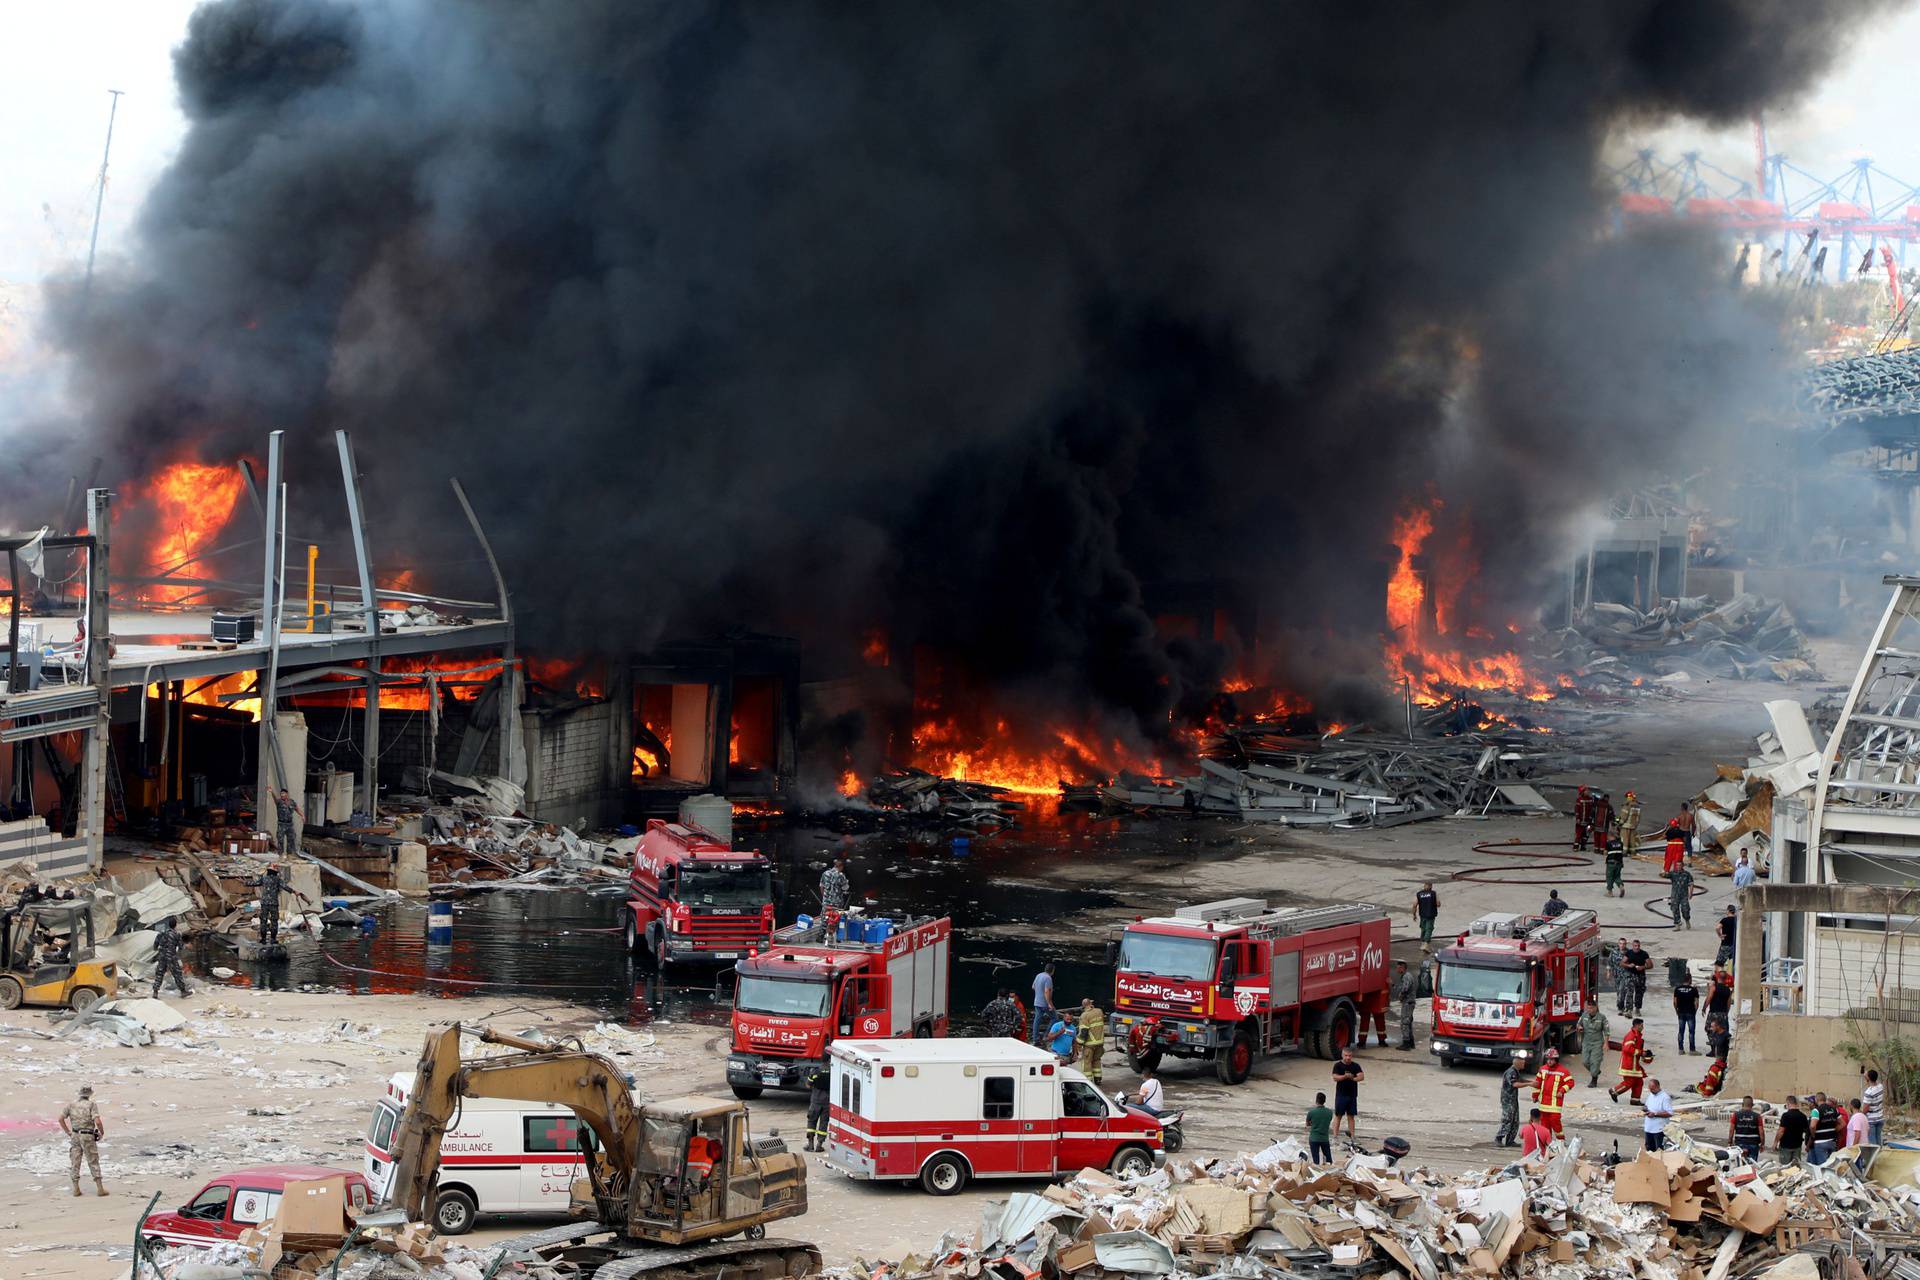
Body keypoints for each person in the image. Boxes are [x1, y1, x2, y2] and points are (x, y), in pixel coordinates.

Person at [60, 1085, 107, 1198]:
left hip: (75, 1134)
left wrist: (68, 1132)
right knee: (93, 1160)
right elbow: (98, 1121)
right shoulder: (91, 1105)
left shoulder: (71, 1105)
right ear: (90, 1094)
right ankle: (100, 1188)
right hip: (87, 1135)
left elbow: (60, 1119)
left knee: (75, 1161)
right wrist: (101, 1133)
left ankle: (76, 1188)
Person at [1531, 1048, 1575, 1136]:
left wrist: (1562, 1091)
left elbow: (1570, 1082)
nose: (1549, 1061)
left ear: (1556, 1060)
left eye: (1551, 1059)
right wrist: (1535, 1095)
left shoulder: (1563, 1071)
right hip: (1543, 1103)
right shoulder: (1542, 1069)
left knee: (1555, 1122)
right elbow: (1537, 1084)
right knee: (1544, 1125)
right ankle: (1548, 1143)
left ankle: (1560, 1141)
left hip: (1555, 1103)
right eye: (1548, 1059)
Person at [1609, 1017, 1648, 1103]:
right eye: (1641, 1025)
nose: (1643, 1027)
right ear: (1637, 1025)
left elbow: (1635, 1049)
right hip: (1629, 1064)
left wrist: (1645, 1054)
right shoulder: (1631, 1036)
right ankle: (1614, 1091)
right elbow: (1627, 1049)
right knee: (1629, 1082)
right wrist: (1641, 1053)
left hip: (1634, 1065)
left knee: (1638, 1082)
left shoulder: (1637, 1036)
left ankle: (1635, 1100)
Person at [152, 917, 191, 998]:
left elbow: (155, 944)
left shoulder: (162, 933)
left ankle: (155, 992)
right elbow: (180, 947)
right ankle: (183, 991)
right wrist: (185, 945)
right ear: (175, 925)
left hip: (162, 956)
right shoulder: (177, 934)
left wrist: (158, 949)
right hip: (171, 957)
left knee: (159, 973)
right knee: (177, 974)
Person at [1331, 1047, 1364, 1142]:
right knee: (1338, 1116)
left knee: (1351, 1116)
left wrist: (1353, 1078)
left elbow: (1361, 1076)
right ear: (1342, 1055)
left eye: (1349, 1056)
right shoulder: (1338, 1065)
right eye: (1346, 1055)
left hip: (1352, 1095)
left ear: (1352, 1056)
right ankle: (1335, 1136)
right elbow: (1335, 1077)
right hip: (1341, 1095)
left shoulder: (1355, 1066)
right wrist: (1345, 1076)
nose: (1348, 1058)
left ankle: (1353, 1136)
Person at [1496, 1057, 1526, 1148]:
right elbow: (1515, 1084)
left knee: (1515, 1120)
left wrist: (1533, 1082)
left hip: (1513, 1100)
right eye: (1523, 1063)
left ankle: (1510, 1140)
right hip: (1508, 1100)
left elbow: (1521, 1080)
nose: (1524, 1065)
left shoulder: (1516, 1071)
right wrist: (1529, 1084)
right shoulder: (1511, 1072)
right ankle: (1499, 1138)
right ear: (1518, 1063)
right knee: (1508, 1119)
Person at [1075, 998, 1106, 1083]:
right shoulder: (1099, 1011)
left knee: (1087, 1063)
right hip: (1100, 1042)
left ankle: (1087, 1081)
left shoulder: (1084, 1016)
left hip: (1089, 1044)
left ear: (1083, 1006)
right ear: (1091, 1003)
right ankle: (1098, 1079)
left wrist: (1078, 1043)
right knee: (1096, 1060)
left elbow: (1084, 1032)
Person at [1579, 1003, 1609, 1087]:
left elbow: (1607, 1031)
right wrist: (1579, 1028)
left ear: (1596, 1008)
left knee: (1595, 1062)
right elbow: (1578, 1024)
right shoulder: (1584, 1016)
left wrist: (1606, 1043)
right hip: (1586, 1042)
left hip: (1597, 1043)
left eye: (1591, 1008)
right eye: (1588, 1008)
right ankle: (1595, 1071)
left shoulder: (1602, 1017)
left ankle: (1594, 1079)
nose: (1589, 1010)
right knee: (1585, 1062)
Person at [1729, 1095, 1765, 1162]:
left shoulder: (1736, 1115)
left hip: (1739, 1144)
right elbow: (1761, 1132)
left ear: (1742, 1104)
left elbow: (1731, 1130)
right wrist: (1762, 1144)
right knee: (1752, 1165)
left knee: (1740, 1164)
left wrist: (1730, 1142)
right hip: (1753, 1144)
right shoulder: (1757, 1116)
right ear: (1752, 1105)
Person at [1392, 960, 1419, 1051]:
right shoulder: (1406, 976)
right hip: (1409, 1002)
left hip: (1408, 1003)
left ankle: (1406, 1043)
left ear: (1402, 968)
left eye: (1398, 967)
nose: (1397, 969)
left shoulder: (1406, 976)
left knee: (1404, 1023)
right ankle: (1411, 1043)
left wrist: (1401, 995)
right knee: (1408, 1023)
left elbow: (1405, 988)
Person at [256, 863, 284, 947]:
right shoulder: (278, 879)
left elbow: (255, 883)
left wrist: (244, 882)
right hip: (274, 904)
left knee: (263, 921)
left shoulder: (264, 879)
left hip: (264, 903)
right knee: (274, 921)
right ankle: (273, 939)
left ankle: (263, 939)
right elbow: (285, 887)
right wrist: (294, 892)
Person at [1642, 1078, 1674, 1152]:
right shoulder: (1651, 1095)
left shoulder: (1665, 1097)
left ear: (1658, 1087)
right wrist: (1645, 1108)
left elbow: (1669, 1113)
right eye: (1650, 1089)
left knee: (1659, 1150)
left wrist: (1655, 1114)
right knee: (1649, 1149)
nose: (1651, 1091)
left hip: (1659, 1129)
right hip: (1649, 1128)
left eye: (1653, 1089)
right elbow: (1647, 1105)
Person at [804, 1065, 830, 1152]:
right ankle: (819, 1145)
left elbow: (808, 1085)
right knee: (824, 1123)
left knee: (811, 1121)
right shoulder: (833, 1071)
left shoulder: (815, 1071)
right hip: (827, 1102)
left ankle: (810, 1145)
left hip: (816, 1101)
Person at [1810, 1093, 1841, 1165]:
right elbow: (1842, 1124)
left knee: (1822, 1166)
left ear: (1816, 1100)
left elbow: (1812, 1126)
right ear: (1825, 1099)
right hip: (1832, 1141)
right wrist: (1833, 1130)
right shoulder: (1834, 1109)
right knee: (1832, 1165)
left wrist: (1813, 1135)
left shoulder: (1816, 1110)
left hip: (1820, 1142)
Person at [1672, 970, 1699, 1054]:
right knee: (1691, 1031)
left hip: (1681, 1012)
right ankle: (1692, 1050)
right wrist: (1695, 1011)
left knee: (1681, 1031)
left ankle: (1680, 1049)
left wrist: (1676, 1010)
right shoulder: (1694, 990)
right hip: (1690, 1012)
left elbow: (1675, 1002)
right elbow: (1696, 1003)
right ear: (1690, 980)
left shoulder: (1677, 989)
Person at [1777, 1096, 1809, 1166]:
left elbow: (1781, 1131)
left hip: (1785, 1145)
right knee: (1795, 1168)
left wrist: (1775, 1142)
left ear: (1788, 1103)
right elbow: (1807, 1130)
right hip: (1797, 1146)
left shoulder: (1786, 1115)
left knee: (1784, 1167)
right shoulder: (1803, 1116)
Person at [1621, 939, 1650, 1015]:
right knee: (1629, 992)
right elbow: (1622, 963)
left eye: (1638, 946)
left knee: (1639, 993)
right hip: (1631, 975)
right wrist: (1628, 965)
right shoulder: (1629, 953)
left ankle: (1637, 1008)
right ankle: (1629, 1009)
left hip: (1640, 976)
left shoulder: (1644, 954)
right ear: (1632, 946)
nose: (1637, 947)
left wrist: (1643, 967)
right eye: (1635, 946)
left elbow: (1650, 965)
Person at [1030, 962, 1056, 1043]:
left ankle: (1035, 1038)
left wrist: (1039, 992)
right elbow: (1046, 991)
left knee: (1037, 1020)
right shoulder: (1048, 978)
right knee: (1054, 1018)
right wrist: (1049, 1004)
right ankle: (1046, 1035)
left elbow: (1033, 987)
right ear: (1053, 970)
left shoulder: (1039, 975)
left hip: (1037, 1001)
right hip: (1044, 1003)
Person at [1305, 1092, 1334, 1165]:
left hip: (1314, 1138)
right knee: (1328, 1159)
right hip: (1324, 1138)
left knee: (1316, 1160)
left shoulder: (1311, 1112)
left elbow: (1307, 1124)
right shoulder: (1329, 1112)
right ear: (1324, 1101)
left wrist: (1312, 1124)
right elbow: (1328, 1121)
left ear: (1316, 1100)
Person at [273, 788, 302, 857]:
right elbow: (275, 799)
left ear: (287, 794)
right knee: (280, 840)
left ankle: (289, 855)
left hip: (289, 824)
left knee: (291, 839)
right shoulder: (279, 802)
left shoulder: (292, 802)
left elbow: (297, 809)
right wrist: (272, 792)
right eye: (281, 794)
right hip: (281, 824)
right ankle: (280, 855)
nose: (282, 795)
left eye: (283, 793)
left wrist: (302, 816)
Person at [1667, 863, 1694, 931]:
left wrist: (1691, 893)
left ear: (1682, 866)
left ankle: (1687, 920)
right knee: (1675, 909)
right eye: (1677, 865)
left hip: (1684, 895)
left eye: (1680, 865)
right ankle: (1677, 925)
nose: (1678, 867)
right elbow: (1664, 875)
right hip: (1675, 895)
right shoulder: (1673, 873)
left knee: (1685, 909)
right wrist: (1664, 871)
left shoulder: (1687, 874)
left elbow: (1691, 884)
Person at [1618, 790, 1643, 861]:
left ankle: (1624, 852)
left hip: (1625, 826)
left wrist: (1619, 822)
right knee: (1632, 839)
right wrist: (1635, 825)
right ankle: (1632, 852)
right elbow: (1638, 818)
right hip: (1633, 826)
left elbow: (1623, 817)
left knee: (1624, 839)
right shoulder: (1637, 806)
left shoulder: (1627, 806)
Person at [1865, 1069, 1887, 1148]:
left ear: (1868, 1078)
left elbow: (1866, 1108)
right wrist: (1868, 1078)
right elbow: (1872, 1085)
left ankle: (1875, 1158)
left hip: (1871, 1120)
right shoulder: (1880, 1086)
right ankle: (1879, 1156)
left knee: (1873, 1143)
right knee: (1878, 1139)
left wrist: (1861, 1113)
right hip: (1880, 1118)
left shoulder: (1868, 1092)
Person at [1572, 785, 1594, 850]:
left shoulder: (1590, 799)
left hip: (1588, 821)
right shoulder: (1579, 800)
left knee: (1586, 834)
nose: (1588, 791)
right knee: (1578, 834)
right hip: (1580, 821)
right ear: (1582, 792)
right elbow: (1577, 810)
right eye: (1586, 790)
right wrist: (1578, 818)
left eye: (1587, 790)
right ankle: (1576, 847)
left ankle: (1583, 846)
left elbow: (1592, 809)